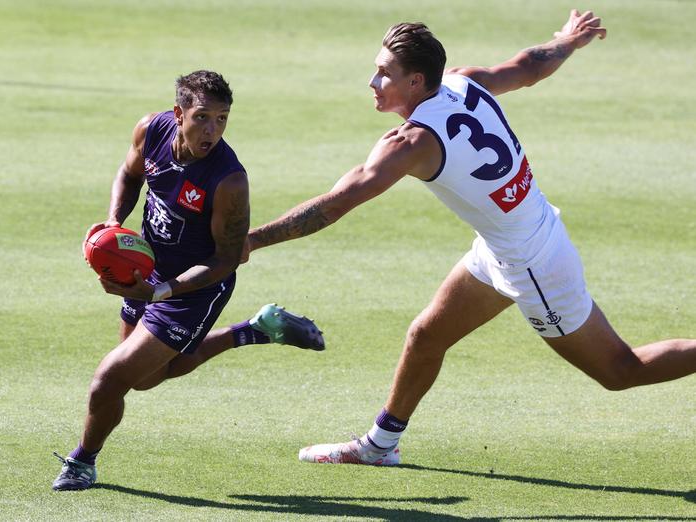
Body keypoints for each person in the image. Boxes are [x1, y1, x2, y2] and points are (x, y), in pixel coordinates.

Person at [246, 10, 696, 466]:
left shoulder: (412, 143)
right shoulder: (462, 82)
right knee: (425, 335)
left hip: (532, 264)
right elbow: (530, 66)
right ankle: (380, 446)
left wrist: (251, 240)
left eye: (385, 73)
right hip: (510, 244)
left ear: (417, 81)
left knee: (620, 371)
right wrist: (567, 40)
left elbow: (335, 203)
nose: (372, 81)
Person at [52, 70, 325, 490]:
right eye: (202, 117)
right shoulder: (152, 129)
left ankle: (82, 462)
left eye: (222, 119)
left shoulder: (228, 180)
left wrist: (163, 291)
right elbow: (129, 176)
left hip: (196, 288)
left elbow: (227, 258)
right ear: (179, 114)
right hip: (149, 269)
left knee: (110, 379)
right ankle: (252, 331)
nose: (212, 130)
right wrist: (113, 221)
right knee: (145, 378)